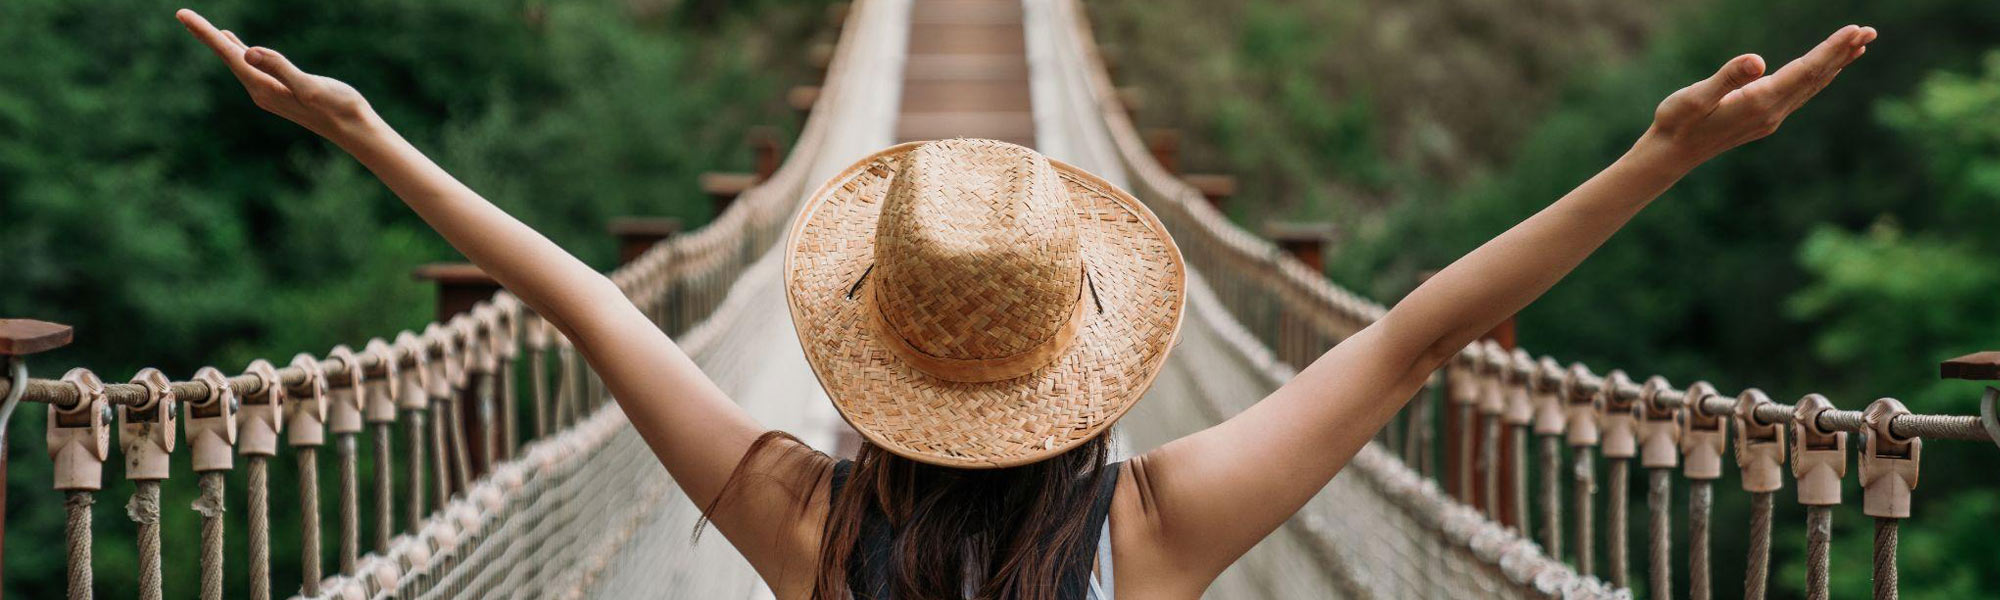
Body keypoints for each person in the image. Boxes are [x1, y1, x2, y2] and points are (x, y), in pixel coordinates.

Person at [174, 8, 1874, 599]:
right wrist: (1660, 155)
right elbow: (1420, 329)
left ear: (867, 354)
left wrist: (363, 129)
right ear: (1081, 352)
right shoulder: (1163, 527)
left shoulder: (799, 526)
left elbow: (572, 303)